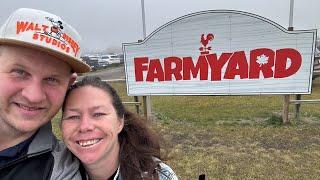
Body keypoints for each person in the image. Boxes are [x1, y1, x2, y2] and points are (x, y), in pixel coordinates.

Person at [0, 8, 91, 180]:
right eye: (20, 72)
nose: (34, 96)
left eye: (52, 79)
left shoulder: (61, 170)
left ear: (68, 85)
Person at [61, 76, 178, 180]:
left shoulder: (157, 176)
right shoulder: (53, 171)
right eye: (73, 116)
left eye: (98, 114)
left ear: (120, 122)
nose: (85, 126)